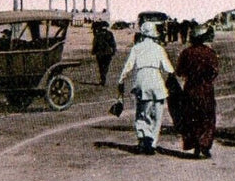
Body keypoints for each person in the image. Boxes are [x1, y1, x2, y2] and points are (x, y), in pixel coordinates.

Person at [117, 20, 175, 155]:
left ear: (142, 34)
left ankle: (143, 137)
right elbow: (168, 68)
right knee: (158, 113)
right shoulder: (159, 48)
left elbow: (128, 66)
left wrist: (121, 79)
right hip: (156, 78)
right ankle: (153, 142)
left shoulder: (136, 48)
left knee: (142, 111)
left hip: (142, 79)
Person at [174, 24, 220, 158]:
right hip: (206, 88)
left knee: (191, 117)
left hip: (190, 88)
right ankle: (204, 145)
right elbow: (214, 72)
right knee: (207, 117)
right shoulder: (210, 53)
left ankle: (195, 146)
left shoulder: (186, 52)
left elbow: (179, 72)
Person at [91, 20, 117, 86]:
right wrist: (113, 51)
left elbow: (95, 43)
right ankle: (103, 78)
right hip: (107, 53)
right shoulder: (109, 34)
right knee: (105, 67)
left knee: (101, 67)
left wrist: (93, 51)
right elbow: (113, 43)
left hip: (100, 53)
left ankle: (103, 78)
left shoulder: (98, 34)